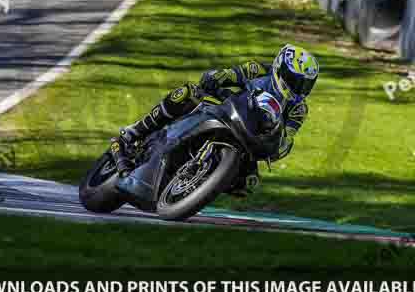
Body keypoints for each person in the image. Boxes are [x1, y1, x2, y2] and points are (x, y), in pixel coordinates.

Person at [110, 44, 319, 194]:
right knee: (187, 93)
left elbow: (287, 138)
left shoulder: (299, 109)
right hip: (229, 109)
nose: (298, 89)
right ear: (280, 69)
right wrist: (216, 77)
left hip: (252, 140)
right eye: (294, 81)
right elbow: (232, 74)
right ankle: (135, 131)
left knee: (248, 183)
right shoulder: (259, 70)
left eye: (305, 85)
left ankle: (198, 184)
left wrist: (280, 145)